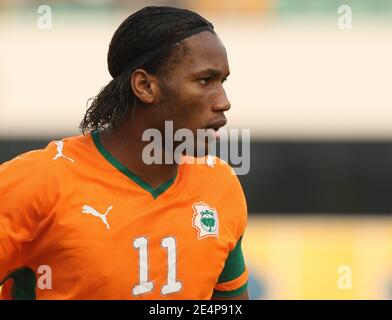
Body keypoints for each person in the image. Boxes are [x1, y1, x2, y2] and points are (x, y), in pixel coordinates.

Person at [0, 6, 249, 300]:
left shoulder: (220, 185)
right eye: (205, 81)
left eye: (223, 82)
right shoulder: (37, 182)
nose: (224, 101)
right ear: (145, 86)